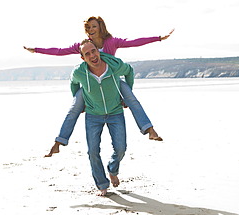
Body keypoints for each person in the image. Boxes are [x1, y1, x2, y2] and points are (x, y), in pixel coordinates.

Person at [24, 16, 173, 156]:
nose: (91, 30)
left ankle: (150, 130)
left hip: (112, 80)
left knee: (132, 99)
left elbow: (134, 42)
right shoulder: (84, 45)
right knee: (74, 108)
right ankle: (58, 142)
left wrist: (159, 38)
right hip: (91, 83)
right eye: (88, 27)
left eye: (94, 26)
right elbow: (59, 51)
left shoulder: (111, 42)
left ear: (101, 27)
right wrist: (36, 50)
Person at [73, 39, 133, 196]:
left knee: (121, 148)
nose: (92, 55)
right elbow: (73, 83)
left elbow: (129, 71)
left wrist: (127, 95)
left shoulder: (113, 66)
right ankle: (102, 184)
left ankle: (113, 169)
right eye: (87, 54)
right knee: (93, 151)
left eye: (94, 51)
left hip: (115, 112)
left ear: (98, 50)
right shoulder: (79, 72)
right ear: (83, 58)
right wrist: (80, 102)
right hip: (93, 115)